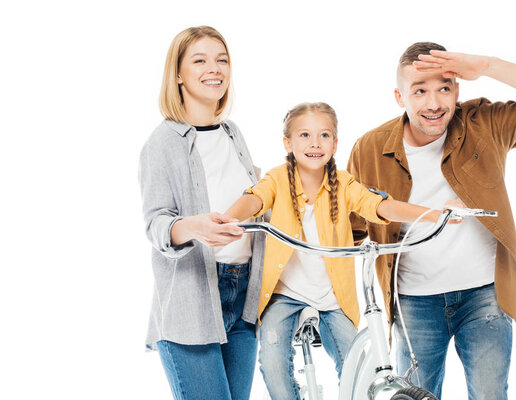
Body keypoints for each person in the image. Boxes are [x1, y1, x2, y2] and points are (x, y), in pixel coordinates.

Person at [347, 42, 516, 399]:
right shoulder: (369, 148)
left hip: (484, 295)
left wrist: (487, 64)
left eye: (444, 88)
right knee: (417, 396)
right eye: (420, 91)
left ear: (458, 89)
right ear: (400, 97)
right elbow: (350, 230)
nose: (434, 103)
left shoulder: (482, 124)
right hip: (414, 302)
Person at [225, 102, 461, 400]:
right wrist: (228, 219)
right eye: (305, 135)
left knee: (358, 366)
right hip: (283, 296)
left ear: (335, 143)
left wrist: (434, 213)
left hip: (333, 298)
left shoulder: (344, 183)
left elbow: (379, 205)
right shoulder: (277, 179)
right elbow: (254, 199)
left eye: (324, 136)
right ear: (288, 142)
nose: (315, 143)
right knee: (272, 362)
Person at [138, 26, 264, 400]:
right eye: (200, 60)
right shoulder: (162, 143)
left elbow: (251, 196)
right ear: (177, 74)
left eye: (222, 60)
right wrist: (192, 227)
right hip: (191, 304)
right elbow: (155, 223)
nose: (215, 69)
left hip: (243, 297)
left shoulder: (232, 132)